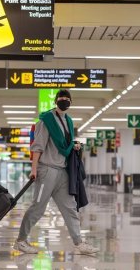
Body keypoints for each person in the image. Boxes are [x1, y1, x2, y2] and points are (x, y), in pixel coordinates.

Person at [13, 89, 99, 255]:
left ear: (71, 102)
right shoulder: (46, 121)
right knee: (37, 207)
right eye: (61, 98)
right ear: (55, 101)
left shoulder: (68, 120)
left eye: (67, 99)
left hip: (63, 171)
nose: (64, 101)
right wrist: (34, 168)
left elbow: (64, 145)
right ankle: (21, 241)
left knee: (70, 208)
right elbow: (37, 146)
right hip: (47, 171)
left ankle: (79, 242)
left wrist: (73, 145)